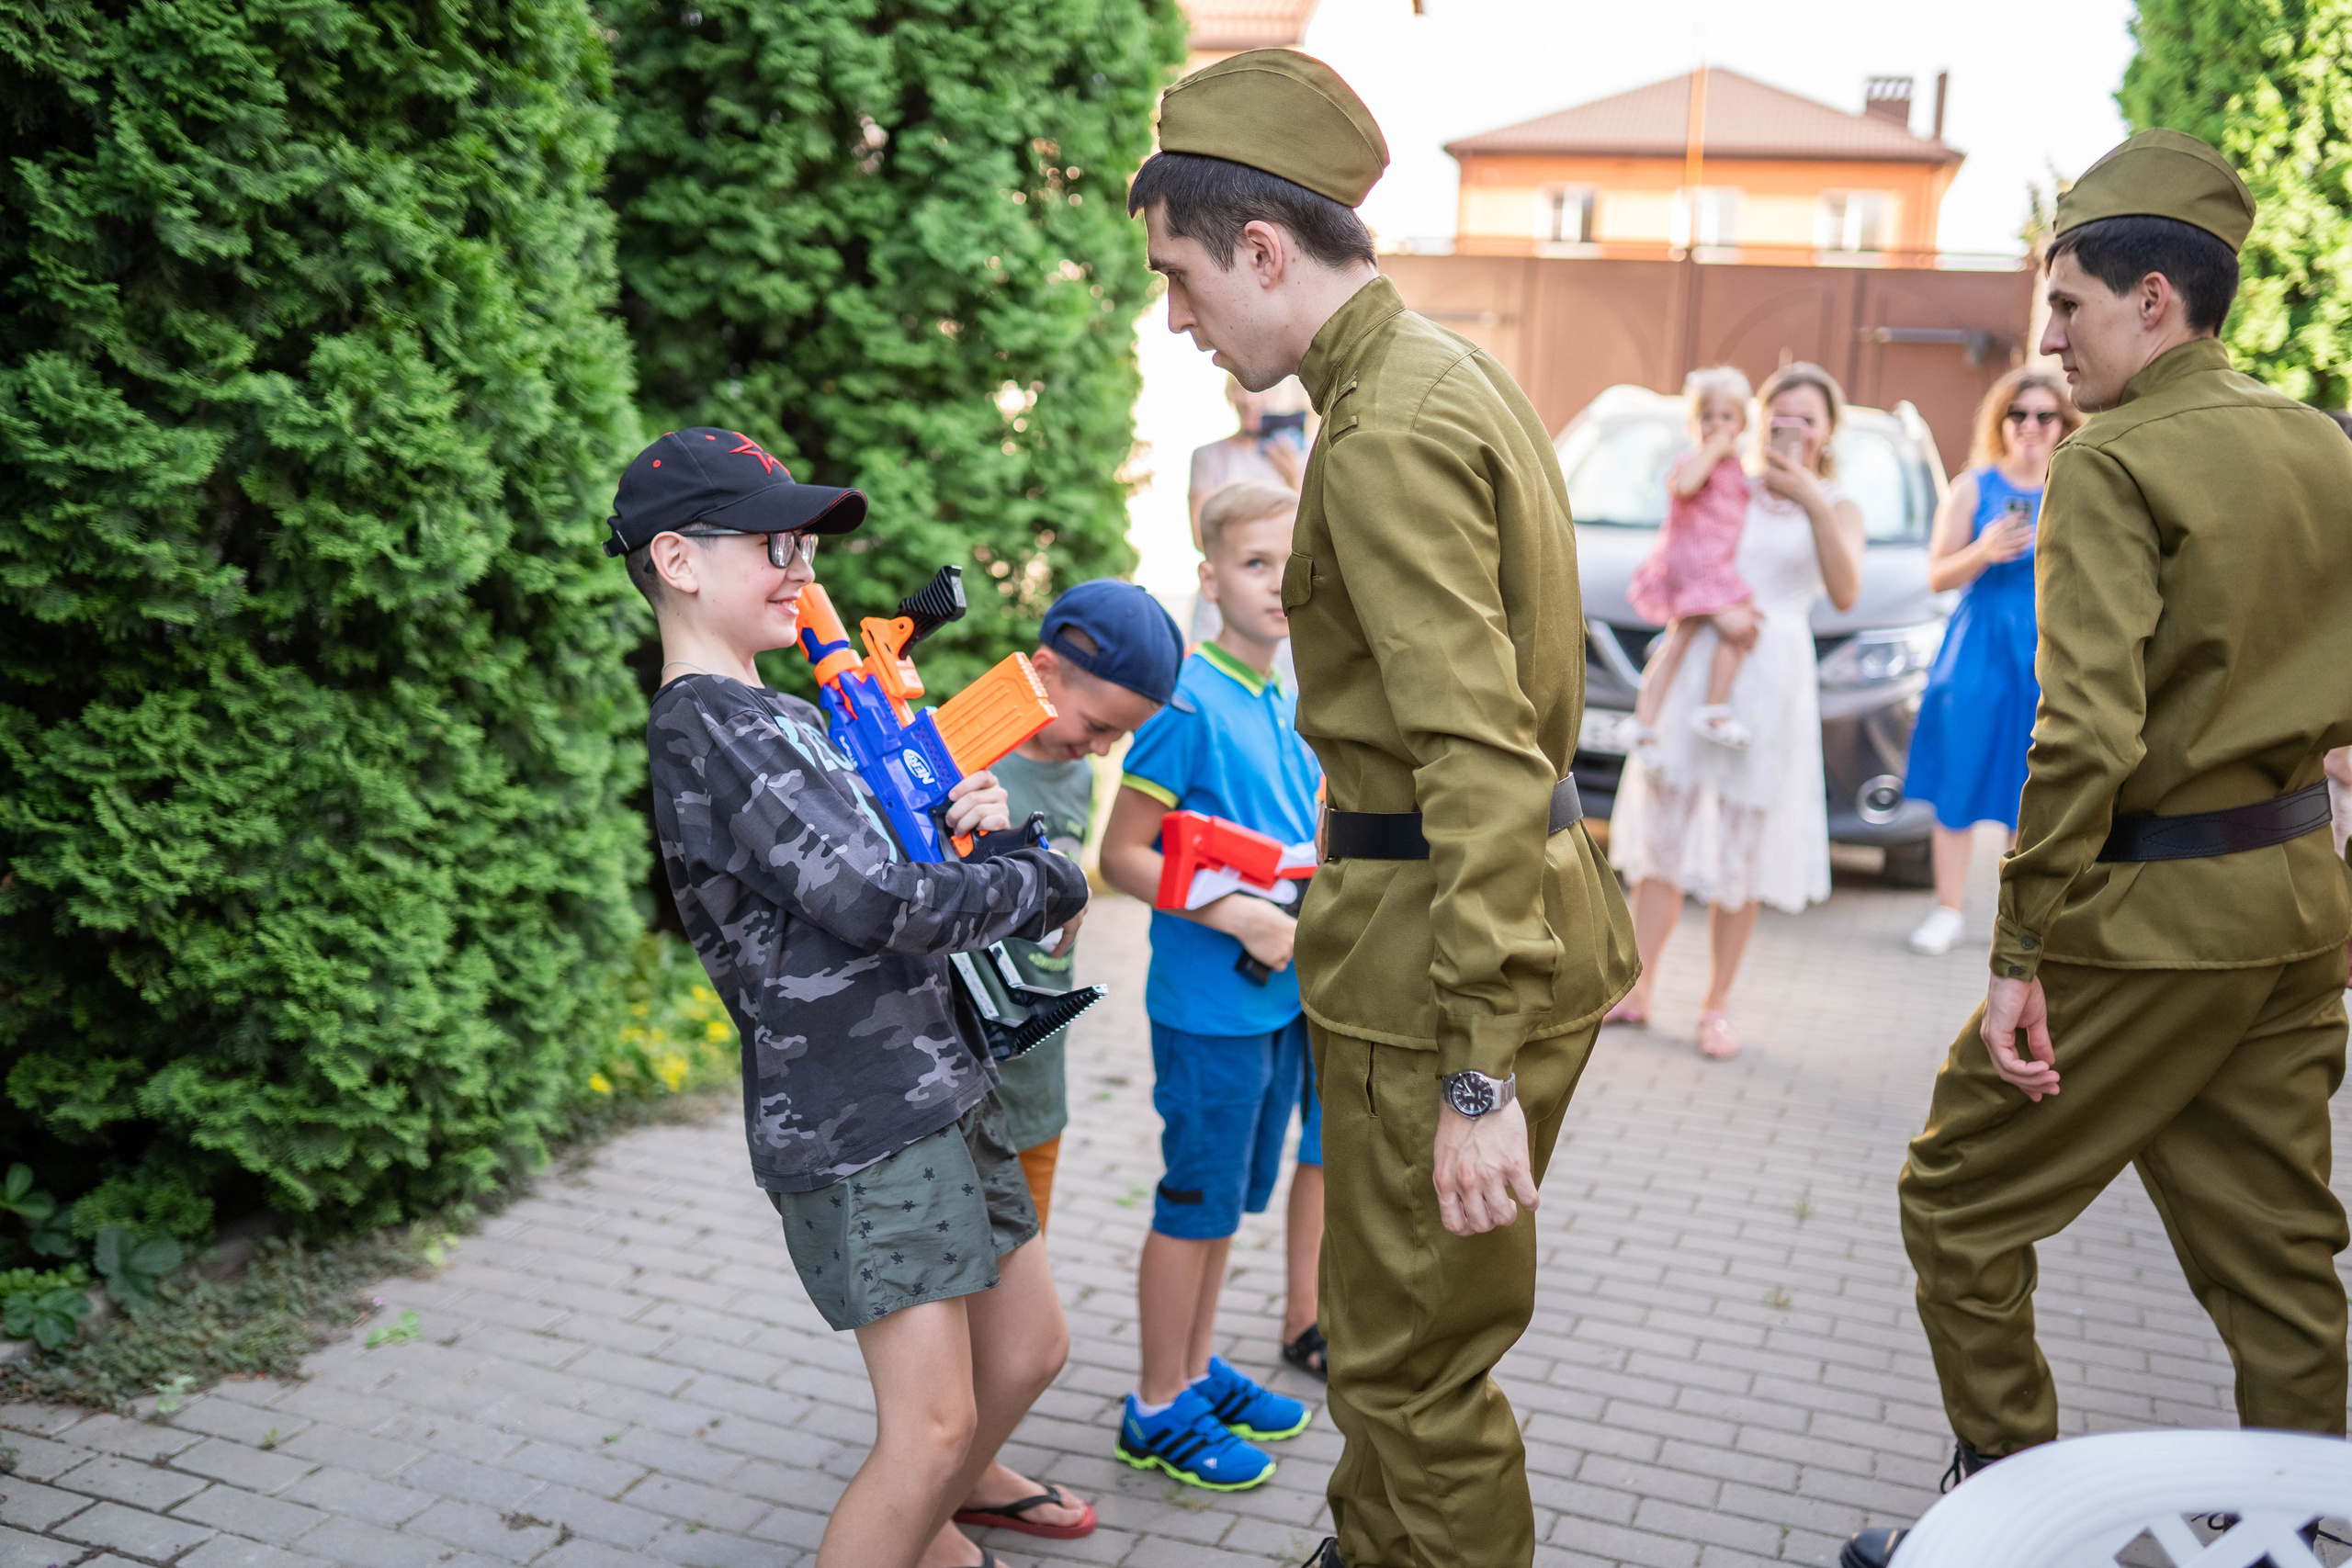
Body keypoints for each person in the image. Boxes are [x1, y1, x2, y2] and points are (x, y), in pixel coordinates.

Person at [1129, 50, 1638, 1568]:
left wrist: (1478, 1070)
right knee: (1390, 1331)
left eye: (1180, 276)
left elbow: (1476, 750)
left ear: (1264, 252)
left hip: (1443, 960)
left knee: (1411, 1371)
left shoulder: (1387, 428)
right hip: (1454, 926)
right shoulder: (1435, 375)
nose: (1175, 315)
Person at [1846, 130, 2352, 1568]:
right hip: (2294, 908)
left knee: (1954, 1195)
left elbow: (2083, 735)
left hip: (2147, 920)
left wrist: (2020, 949)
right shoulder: (2324, 441)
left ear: (2153, 298)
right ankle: (2291, 1542)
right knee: (2280, 1262)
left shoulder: (2113, 458)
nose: (2047, 339)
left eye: (2066, 306)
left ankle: (2005, 1504)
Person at [615, 428, 1095, 1568]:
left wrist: (969, 822)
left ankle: (936, 1541)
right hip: (857, 1113)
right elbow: (879, 901)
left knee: (1026, 1354)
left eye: (803, 542)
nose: (801, 567)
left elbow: (889, 861)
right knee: (929, 1432)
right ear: (678, 561)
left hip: (938, 1072)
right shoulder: (707, 727)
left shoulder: (775, 714)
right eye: (772, 542)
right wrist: (1036, 875)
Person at [1098, 479, 1326, 1490]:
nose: (1278, 584)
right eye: (1254, 563)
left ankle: (1192, 1370)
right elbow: (1122, 854)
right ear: (1209, 575)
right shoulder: (1186, 702)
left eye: (1291, 562)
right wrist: (1233, 914)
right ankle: (1154, 1405)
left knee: (1229, 1203)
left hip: (1273, 1002)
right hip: (1209, 1009)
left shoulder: (1279, 694)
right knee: (1191, 1202)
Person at [952, 579, 1175, 1548]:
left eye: (1118, 736)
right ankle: (931, 1487)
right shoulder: (963, 752)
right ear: (1041, 671)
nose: (1103, 749)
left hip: (1034, 1089)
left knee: (1009, 1323)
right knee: (957, 1319)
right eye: (1096, 723)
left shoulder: (1074, 771)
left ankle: (970, 1467)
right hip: (955, 1099)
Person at [1605, 363, 1867, 1058]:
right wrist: (1714, 606)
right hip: (1702, 661)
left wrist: (1808, 494)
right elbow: (1683, 552)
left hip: (1772, 674)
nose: (1791, 429)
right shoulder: (1728, 482)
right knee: (1663, 832)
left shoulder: (1838, 503)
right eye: (1779, 416)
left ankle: (1716, 1004)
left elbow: (1844, 591)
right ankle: (1638, 985)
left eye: (1806, 419)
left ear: (1827, 430)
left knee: (1742, 846)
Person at [1901, 369, 2084, 956]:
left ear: (2063, 423)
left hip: (2048, 645)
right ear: (2001, 421)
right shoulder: (1973, 487)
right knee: (1962, 769)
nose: (2030, 427)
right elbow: (1935, 574)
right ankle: (1948, 909)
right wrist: (1983, 551)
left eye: (2044, 416)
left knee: (2031, 786)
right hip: (1979, 644)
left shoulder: (2076, 484)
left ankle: (2020, 917)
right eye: (2018, 415)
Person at [1628, 366, 1758, 753]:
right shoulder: (1695, 461)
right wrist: (1714, 448)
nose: (1716, 425)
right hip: (1696, 565)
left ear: (1743, 423)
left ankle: (1645, 724)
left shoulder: (1737, 469)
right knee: (1741, 624)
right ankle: (1713, 710)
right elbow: (1684, 486)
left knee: (1679, 640)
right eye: (1706, 417)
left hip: (1711, 563)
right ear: (1693, 422)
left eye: (1726, 417)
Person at [1188, 376, 1315, 687]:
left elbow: (1317, 530)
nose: (1249, 401)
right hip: (1233, 593)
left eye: (1258, 393)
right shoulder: (1209, 456)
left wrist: (1293, 477)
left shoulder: (1299, 455)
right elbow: (1200, 535)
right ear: (1229, 396)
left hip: (1283, 595)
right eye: (1238, 391)